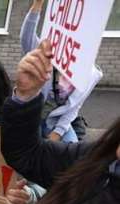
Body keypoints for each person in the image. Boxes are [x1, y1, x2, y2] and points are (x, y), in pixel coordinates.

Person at [0, 39, 120, 204]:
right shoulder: (95, 160)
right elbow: (26, 155)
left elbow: (70, 113)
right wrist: (26, 97)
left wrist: (56, 132)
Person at [20, 0, 102, 143]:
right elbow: (26, 38)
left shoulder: (91, 74)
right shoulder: (48, 54)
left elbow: (73, 108)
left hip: (55, 123)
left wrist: (56, 134)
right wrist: (37, 5)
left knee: (72, 154)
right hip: (30, 114)